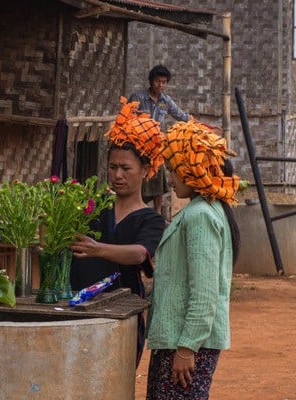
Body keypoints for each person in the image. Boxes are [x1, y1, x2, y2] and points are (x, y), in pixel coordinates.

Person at [146, 119, 241, 399]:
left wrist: (187, 347)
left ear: (193, 169)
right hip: (179, 338)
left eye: (174, 170)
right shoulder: (205, 210)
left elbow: (205, 291)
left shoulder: (200, 216)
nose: (171, 178)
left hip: (186, 342)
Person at [70, 97, 166, 367]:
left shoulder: (151, 220)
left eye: (126, 168)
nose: (118, 175)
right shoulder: (94, 208)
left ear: (145, 171)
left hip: (123, 317)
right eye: (113, 167)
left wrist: (97, 249)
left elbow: (138, 254)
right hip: (79, 311)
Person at [129, 64, 190, 215]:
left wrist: (202, 125)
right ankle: (136, 210)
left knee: (159, 180)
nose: (160, 85)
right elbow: (127, 118)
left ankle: (156, 214)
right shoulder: (138, 97)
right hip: (138, 145)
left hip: (156, 147)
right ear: (151, 81)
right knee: (139, 179)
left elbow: (182, 116)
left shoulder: (165, 101)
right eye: (157, 81)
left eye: (164, 82)